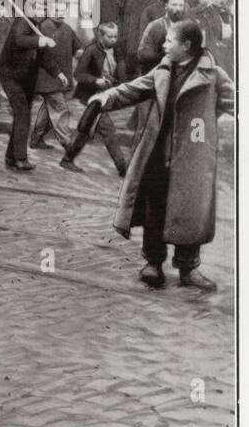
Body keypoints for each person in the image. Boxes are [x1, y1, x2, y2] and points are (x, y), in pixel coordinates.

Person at [89, 20, 234, 291]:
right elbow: (133, 89)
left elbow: (235, 102)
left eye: (169, 41)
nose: (163, 45)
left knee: (190, 211)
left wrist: (211, 128)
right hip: (157, 152)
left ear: (186, 46)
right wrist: (105, 98)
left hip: (192, 158)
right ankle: (153, 263)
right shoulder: (163, 69)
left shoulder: (213, 74)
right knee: (154, 208)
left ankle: (188, 269)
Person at [0, 0, 54, 171]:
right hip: (11, 75)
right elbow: (20, 40)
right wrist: (40, 40)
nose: (42, 12)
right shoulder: (22, 22)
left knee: (23, 114)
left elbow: (44, 57)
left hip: (26, 78)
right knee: (23, 114)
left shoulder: (37, 26)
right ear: (29, 8)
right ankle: (20, 158)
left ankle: (11, 156)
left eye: (44, 9)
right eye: (38, 8)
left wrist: (58, 74)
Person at [68, 21, 129, 176]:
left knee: (88, 128)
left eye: (115, 36)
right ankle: (123, 168)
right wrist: (96, 81)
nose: (114, 40)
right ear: (100, 36)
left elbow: (119, 72)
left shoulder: (117, 51)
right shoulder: (91, 51)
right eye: (110, 37)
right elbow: (78, 74)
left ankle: (68, 158)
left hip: (106, 94)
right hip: (92, 95)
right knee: (108, 130)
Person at [28, 0, 82, 152]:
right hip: (46, 77)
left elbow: (77, 47)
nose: (60, 13)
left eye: (62, 10)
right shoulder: (41, 28)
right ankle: (69, 145)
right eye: (56, 10)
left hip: (61, 77)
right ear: (49, 10)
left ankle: (36, 139)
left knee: (47, 110)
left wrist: (80, 52)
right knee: (60, 108)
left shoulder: (67, 28)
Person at [137, 0, 188, 74]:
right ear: (166, 6)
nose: (178, 8)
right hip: (159, 73)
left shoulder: (187, 26)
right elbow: (142, 54)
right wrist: (163, 54)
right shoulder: (155, 26)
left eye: (181, 5)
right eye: (174, 5)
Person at [120, 0, 158, 78]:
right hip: (134, 35)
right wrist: (127, 34)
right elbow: (127, 16)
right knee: (132, 66)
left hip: (151, 36)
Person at [199, 0, 234, 83]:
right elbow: (206, 39)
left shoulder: (229, 14)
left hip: (228, 53)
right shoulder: (205, 14)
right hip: (213, 54)